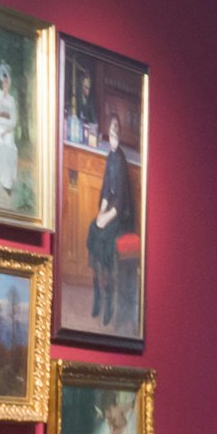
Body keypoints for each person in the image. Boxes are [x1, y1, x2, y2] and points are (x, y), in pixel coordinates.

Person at [86, 107, 135, 332]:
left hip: (121, 216)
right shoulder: (109, 156)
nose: (113, 134)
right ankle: (97, 291)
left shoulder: (122, 160)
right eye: (111, 130)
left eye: (116, 130)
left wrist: (107, 217)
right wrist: (100, 214)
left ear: (120, 133)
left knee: (105, 237)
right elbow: (107, 190)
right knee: (92, 230)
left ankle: (108, 301)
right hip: (110, 210)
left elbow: (122, 199)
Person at [0, 59, 20, 198]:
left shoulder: (12, 99)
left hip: (8, 128)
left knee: (9, 149)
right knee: (1, 149)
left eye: (7, 82)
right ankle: (4, 180)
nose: (5, 84)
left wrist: (9, 129)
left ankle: (8, 183)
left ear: (9, 83)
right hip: (0, 126)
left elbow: (14, 119)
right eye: (3, 82)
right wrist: (1, 96)